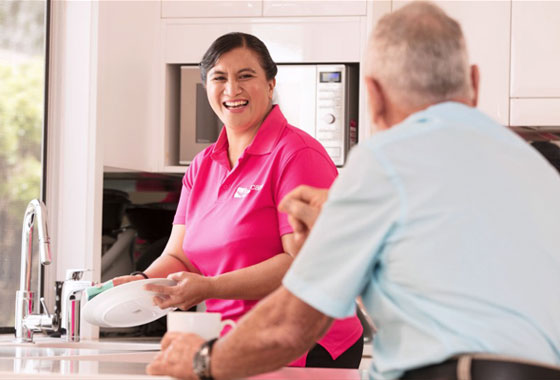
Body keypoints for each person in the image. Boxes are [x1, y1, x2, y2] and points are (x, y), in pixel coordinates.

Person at [145, 2, 560, 380]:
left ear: (374, 95)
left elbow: (292, 324)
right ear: (474, 81)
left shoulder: (385, 160)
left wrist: (202, 360)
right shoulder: (536, 166)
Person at [112, 32, 364, 368]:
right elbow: (179, 255)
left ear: (271, 84)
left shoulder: (296, 155)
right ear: (207, 89)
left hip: (305, 341)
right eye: (220, 78)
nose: (232, 89)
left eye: (246, 76)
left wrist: (210, 287)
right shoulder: (202, 167)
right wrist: (143, 284)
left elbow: (301, 264)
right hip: (236, 342)